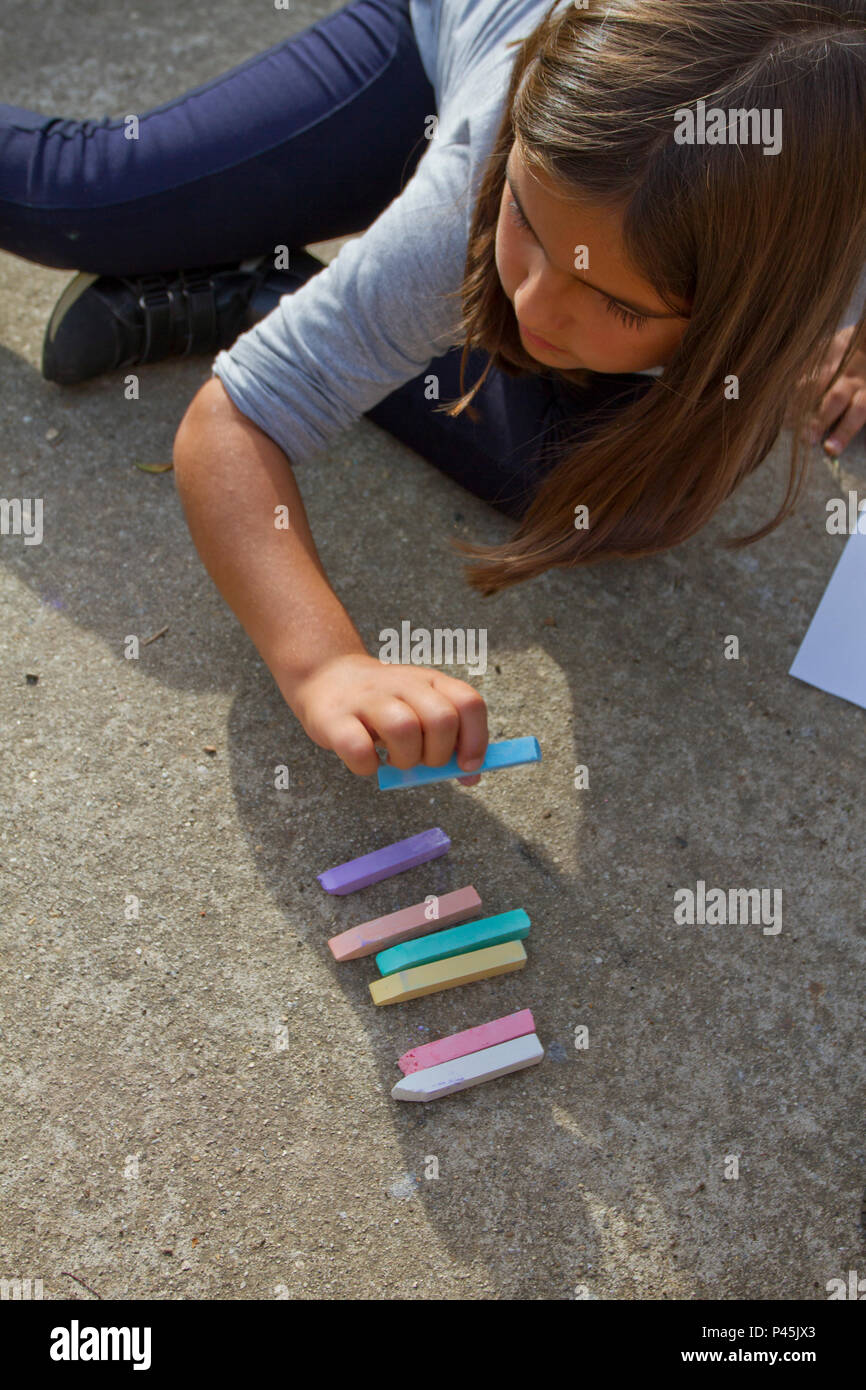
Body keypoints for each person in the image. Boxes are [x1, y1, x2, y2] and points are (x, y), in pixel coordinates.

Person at [3, 1, 865, 785]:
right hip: (455, 44)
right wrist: (324, 666)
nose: (531, 305)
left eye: (612, 300)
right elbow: (236, 417)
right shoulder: (471, 203)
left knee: (599, 492)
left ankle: (262, 292)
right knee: (73, 197)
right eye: (526, 221)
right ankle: (299, 292)